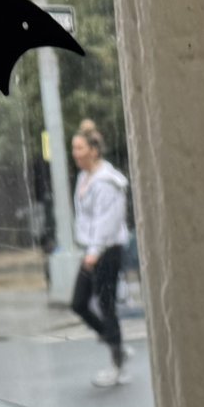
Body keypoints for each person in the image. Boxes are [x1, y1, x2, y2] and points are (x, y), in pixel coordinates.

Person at [69, 120, 131, 388]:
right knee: (79, 303)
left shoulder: (106, 182)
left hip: (106, 250)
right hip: (93, 249)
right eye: (74, 148)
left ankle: (117, 364)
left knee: (106, 306)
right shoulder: (84, 178)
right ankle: (115, 343)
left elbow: (107, 221)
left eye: (80, 148)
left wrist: (93, 252)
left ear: (94, 151)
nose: (75, 153)